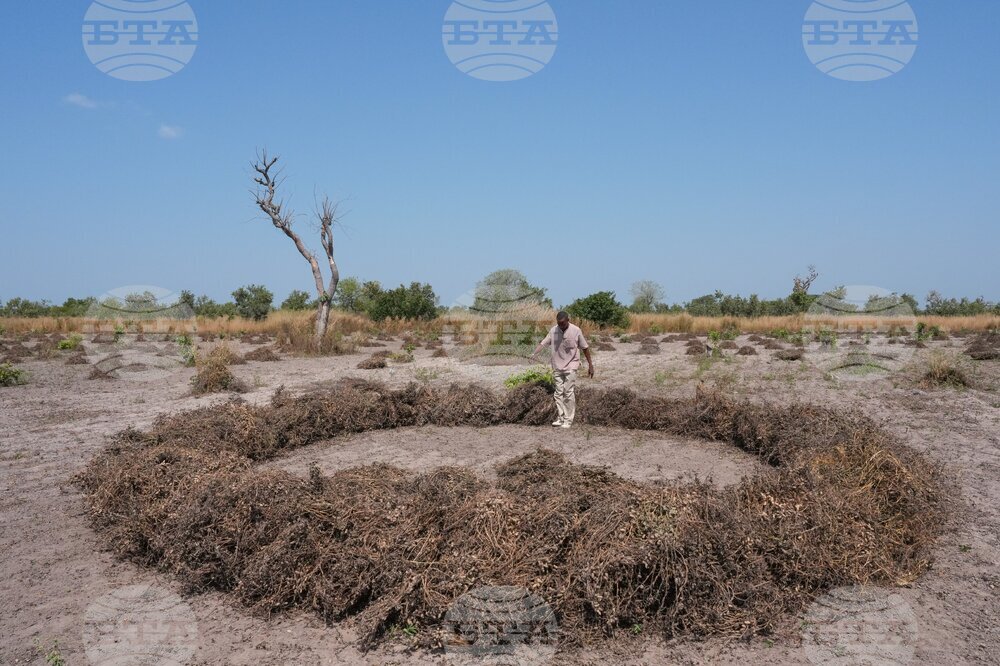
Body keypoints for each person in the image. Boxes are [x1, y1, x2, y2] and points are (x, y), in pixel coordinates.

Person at [530, 311, 594, 428]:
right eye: (559, 324)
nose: (561, 326)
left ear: (568, 320)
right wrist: (534, 353)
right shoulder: (553, 330)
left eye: (563, 324)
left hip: (571, 365)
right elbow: (543, 343)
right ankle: (561, 418)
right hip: (557, 366)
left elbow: (585, 348)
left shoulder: (576, 330)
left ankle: (568, 420)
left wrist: (590, 365)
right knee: (558, 393)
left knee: (568, 392)